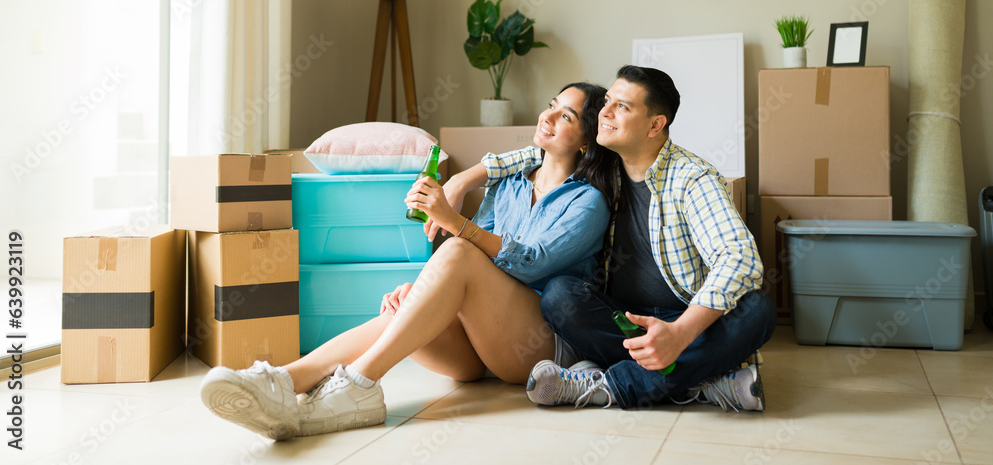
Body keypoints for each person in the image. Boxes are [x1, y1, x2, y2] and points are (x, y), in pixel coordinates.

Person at [199, 83, 618, 440]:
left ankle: (359, 385)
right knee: (401, 311)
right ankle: (284, 382)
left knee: (456, 247)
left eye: (566, 116)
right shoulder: (508, 184)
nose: (548, 117)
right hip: (480, 348)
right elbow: (473, 260)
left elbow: (530, 262)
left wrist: (453, 220)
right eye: (551, 106)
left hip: (537, 346)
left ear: (586, 140)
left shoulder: (588, 201)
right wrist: (418, 293)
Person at [472, 65, 776, 412]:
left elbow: (740, 258)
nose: (605, 112)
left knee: (758, 311)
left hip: (687, 319)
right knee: (559, 294)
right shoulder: (603, 167)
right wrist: (469, 176)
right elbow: (539, 152)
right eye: (607, 102)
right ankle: (702, 382)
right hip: (621, 322)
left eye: (622, 107)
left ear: (655, 125)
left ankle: (612, 385)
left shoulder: (692, 178)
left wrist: (679, 334)